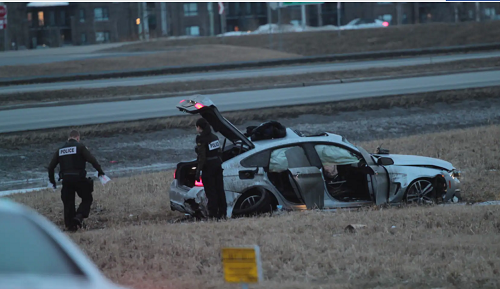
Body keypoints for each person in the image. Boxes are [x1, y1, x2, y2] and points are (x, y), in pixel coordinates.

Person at [48, 130, 105, 232]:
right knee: (87, 198)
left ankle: (71, 226)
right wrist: (100, 171)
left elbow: (51, 167)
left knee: (68, 203)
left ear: (68, 138)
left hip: (66, 180)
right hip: (79, 179)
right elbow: (92, 160)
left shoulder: (60, 150)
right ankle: (79, 216)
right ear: (78, 138)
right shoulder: (80, 147)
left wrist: (52, 181)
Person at [194, 118, 227, 220]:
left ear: (199, 127)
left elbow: (202, 157)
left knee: (211, 192)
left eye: (196, 127)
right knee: (220, 190)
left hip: (208, 168)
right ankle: (222, 213)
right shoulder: (214, 137)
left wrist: (198, 170)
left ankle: (213, 214)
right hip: (217, 166)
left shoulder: (201, 139)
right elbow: (219, 152)